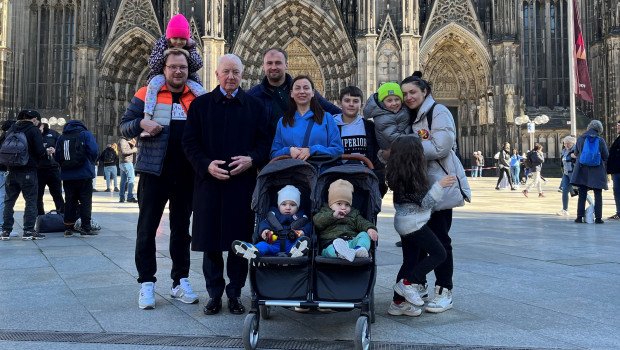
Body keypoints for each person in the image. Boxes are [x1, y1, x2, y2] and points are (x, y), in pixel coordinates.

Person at [183, 54, 271, 316]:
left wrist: (252, 159)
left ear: (242, 75)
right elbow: (189, 143)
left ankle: (234, 294)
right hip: (209, 184)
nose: (231, 77)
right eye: (226, 72)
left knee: (238, 244)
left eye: (236, 72)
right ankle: (213, 294)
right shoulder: (200, 106)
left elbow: (265, 143)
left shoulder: (254, 107)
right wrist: (206, 165)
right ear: (217, 74)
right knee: (210, 244)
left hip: (241, 185)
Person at [120, 49, 199, 310]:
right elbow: (124, 125)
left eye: (183, 68)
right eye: (173, 67)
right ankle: (146, 283)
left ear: (189, 71)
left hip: (186, 173)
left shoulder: (197, 96)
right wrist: (142, 123)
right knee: (147, 229)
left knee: (180, 231)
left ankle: (180, 282)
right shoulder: (147, 94)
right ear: (164, 69)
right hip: (154, 172)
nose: (178, 71)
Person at [392, 71, 470, 313]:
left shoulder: (439, 112)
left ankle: (444, 290)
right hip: (417, 186)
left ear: (424, 91)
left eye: (412, 92)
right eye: (404, 94)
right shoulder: (412, 115)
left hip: (439, 186)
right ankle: (417, 285)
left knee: (440, 242)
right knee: (416, 245)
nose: (408, 97)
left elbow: (441, 146)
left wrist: (404, 150)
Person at [386, 135, 455, 316]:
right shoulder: (411, 179)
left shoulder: (398, 174)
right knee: (439, 253)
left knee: (410, 261)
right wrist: (439, 185)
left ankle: (398, 303)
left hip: (402, 223)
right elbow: (426, 203)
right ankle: (407, 283)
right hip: (414, 225)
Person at [247, 47, 341, 134]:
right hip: (271, 150)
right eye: (269, 63)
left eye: (278, 63)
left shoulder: (303, 91)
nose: (274, 67)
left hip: (304, 148)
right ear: (263, 66)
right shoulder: (252, 96)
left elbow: (334, 112)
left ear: (286, 65)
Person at [141, 14, 205, 137]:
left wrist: (190, 49)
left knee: (202, 93)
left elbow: (197, 65)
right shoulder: (162, 42)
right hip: (160, 76)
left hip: (187, 80)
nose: (179, 42)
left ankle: (206, 121)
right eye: (175, 38)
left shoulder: (190, 45)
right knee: (152, 88)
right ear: (169, 37)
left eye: (182, 39)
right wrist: (167, 53)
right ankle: (147, 118)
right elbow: (153, 63)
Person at [270, 75, 344, 160]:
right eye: (297, 88)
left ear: (313, 93)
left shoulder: (327, 118)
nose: (302, 92)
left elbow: (338, 150)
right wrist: (289, 150)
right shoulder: (283, 121)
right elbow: (274, 154)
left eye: (306, 88)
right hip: (291, 171)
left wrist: (313, 150)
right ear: (291, 94)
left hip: (320, 171)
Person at [333, 86, 387, 196]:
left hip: (364, 179)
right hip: (339, 179)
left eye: (355, 101)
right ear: (339, 103)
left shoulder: (369, 127)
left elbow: (377, 156)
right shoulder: (331, 125)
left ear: (361, 105)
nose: (351, 104)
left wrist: (379, 182)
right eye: (347, 101)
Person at [232, 185, 311, 260]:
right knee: (263, 245)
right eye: (283, 204)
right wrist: (265, 230)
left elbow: (308, 226)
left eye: (292, 205)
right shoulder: (273, 215)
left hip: (292, 244)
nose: (288, 208)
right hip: (273, 243)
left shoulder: (301, 217)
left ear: (298, 207)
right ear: (278, 205)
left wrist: (303, 232)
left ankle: (296, 251)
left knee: (302, 241)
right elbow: (264, 223)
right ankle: (253, 250)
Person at [0, 111, 46, 240]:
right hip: (28, 170)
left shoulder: (10, 129)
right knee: (31, 201)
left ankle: (5, 231)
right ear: (35, 119)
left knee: (9, 201)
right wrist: (45, 153)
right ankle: (28, 231)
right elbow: (39, 151)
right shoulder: (33, 130)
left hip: (10, 170)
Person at [313, 179, 378, 262]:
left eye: (347, 204)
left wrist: (370, 229)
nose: (343, 207)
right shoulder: (325, 212)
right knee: (331, 251)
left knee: (364, 235)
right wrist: (332, 216)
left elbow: (362, 222)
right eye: (339, 204)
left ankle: (358, 249)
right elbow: (317, 221)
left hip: (351, 242)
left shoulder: (354, 214)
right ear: (330, 204)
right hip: (331, 243)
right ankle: (340, 253)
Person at [54, 120, 99, 237]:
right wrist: (91, 161)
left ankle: (68, 227)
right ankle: (85, 228)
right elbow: (94, 150)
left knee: (69, 201)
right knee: (85, 202)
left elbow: (57, 156)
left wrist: (64, 165)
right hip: (84, 174)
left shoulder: (62, 137)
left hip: (67, 175)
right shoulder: (85, 134)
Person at [571, 120, 610, 224]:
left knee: (582, 193)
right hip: (597, 170)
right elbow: (606, 156)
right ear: (599, 129)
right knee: (598, 194)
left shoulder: (580, 139)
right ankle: (598, 218)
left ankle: (579, 217)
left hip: (582, 169)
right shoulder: (600, 140)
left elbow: (576, 152)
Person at [362, 82, 409, 150]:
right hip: (395, 151)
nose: (394, 103)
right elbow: (394, 137)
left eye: (397, 99)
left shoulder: (401, 110)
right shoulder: (382, 118)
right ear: (382, 103)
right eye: (389, 101)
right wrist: (416, 137)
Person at [0, 120, 15, 236]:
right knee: (3, 199)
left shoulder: (2, 137)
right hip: (3, 171)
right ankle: (1, 226)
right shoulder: (8, 138)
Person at [557, 136, 577, 216]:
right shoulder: (564, 151)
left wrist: (576, 156)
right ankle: (565, 209)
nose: (567, 145)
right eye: (565, 143)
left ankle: (592, 205)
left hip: (574, 174)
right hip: (566, 174)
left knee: (582, 191)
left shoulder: (576, 150)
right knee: (565, 191)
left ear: (573, 143)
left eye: (569, 143)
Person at [607, 120, 620, 220]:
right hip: (616, 171)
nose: (617, 128)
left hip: (618, 170)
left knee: (618, 191)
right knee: (617, 192)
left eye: (619, 126)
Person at [118, 136, 137, 203]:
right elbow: (124, 151)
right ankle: (130, 197)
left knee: (123, 181)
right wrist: (133, 150)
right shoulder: (123, 141)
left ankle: (122, 197)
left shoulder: (123, 140)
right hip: (127, 163)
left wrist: (133, 145)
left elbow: (126, 150)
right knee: (131, 179)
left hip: (123, 163)